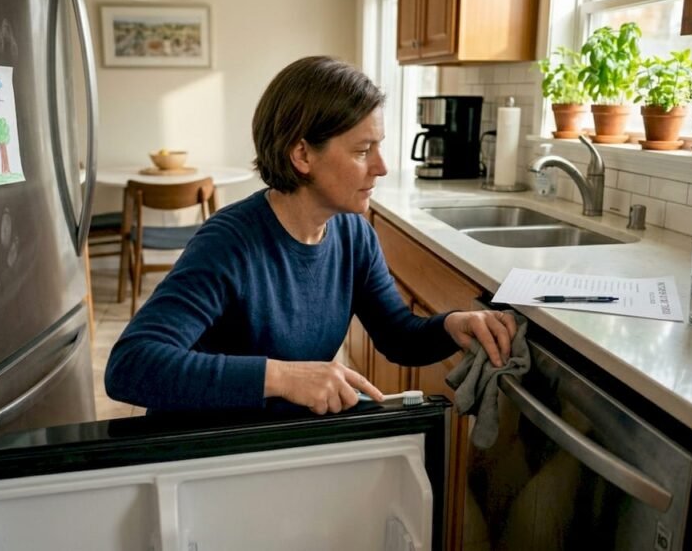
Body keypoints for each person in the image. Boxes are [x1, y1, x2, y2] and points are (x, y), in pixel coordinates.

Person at [106, 56, 517, 415]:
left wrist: (452, 326)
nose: (381, 167)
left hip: (280, 444)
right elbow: (131, 365)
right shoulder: (230, 244)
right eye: (362, 151)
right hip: (208, 452)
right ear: (302, 155)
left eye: (379, 147)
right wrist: (282, 377)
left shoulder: (354, 235)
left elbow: (397, 336)